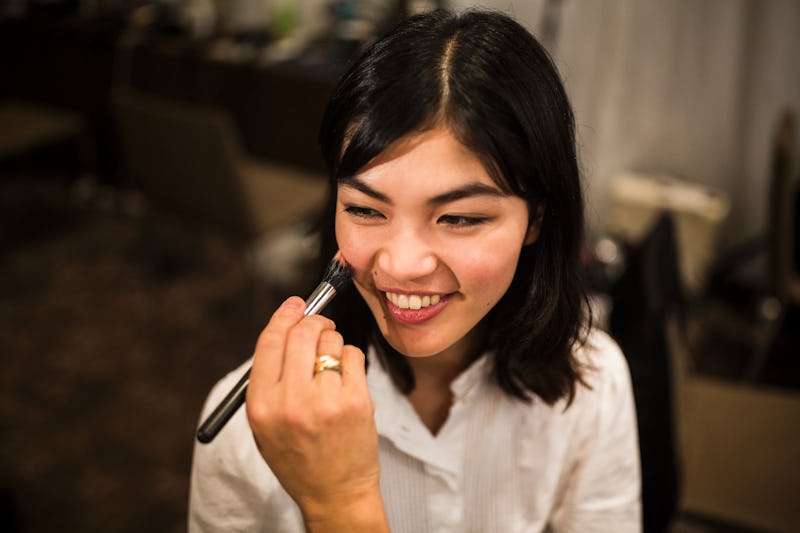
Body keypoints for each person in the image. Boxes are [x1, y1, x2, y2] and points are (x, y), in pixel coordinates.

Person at [189, 8, 641, 532]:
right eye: (364, 209)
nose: (401, 265)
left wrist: (343, 507)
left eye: (460, 218)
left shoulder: (591, 384)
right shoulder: (249, 426)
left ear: (536, 219)